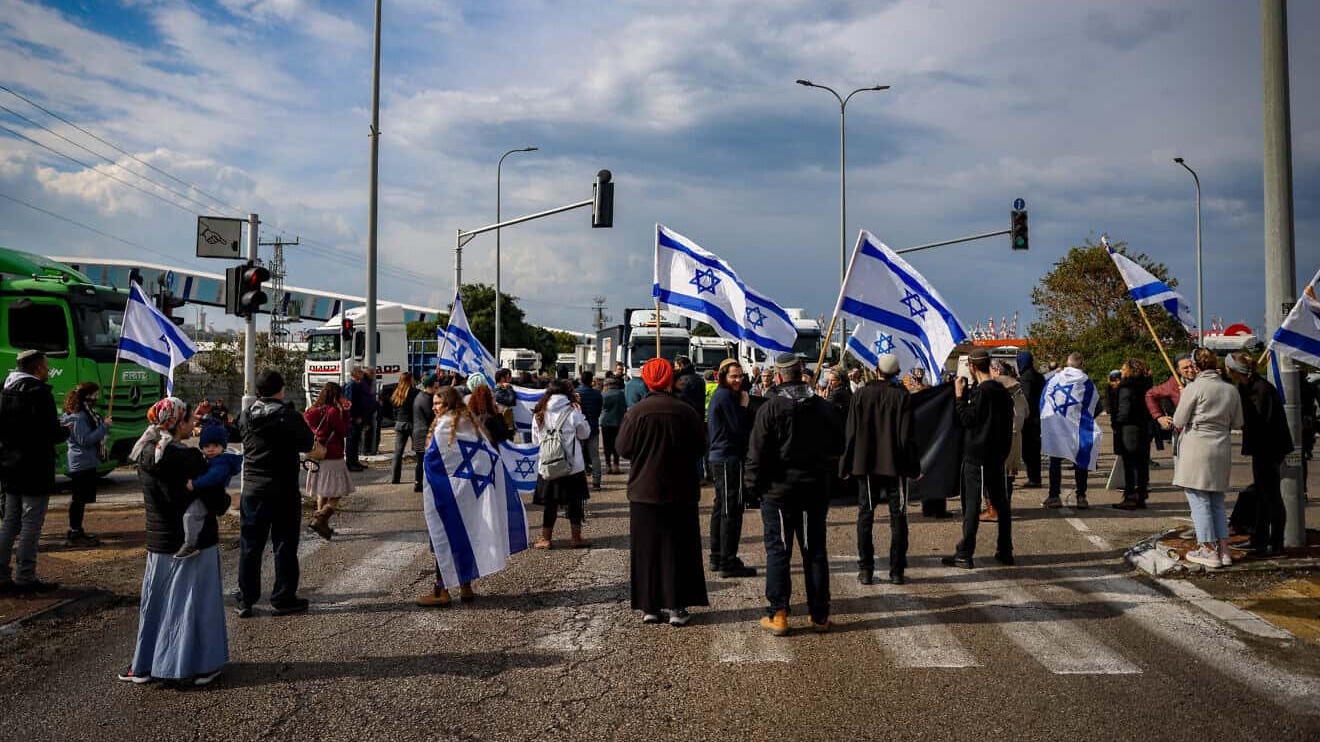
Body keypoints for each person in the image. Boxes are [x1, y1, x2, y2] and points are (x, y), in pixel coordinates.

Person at [115, 398, 229, 686]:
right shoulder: (188, 458)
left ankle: (144, 666)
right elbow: (215, 500)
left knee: (156, 605)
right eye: (190, 419)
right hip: (194, 543)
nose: (194, 424)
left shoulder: (144, 453)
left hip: (159, 541)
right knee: (196, 605)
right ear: (178, 423)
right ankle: (198, 666)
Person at [745, 354, 843, 635]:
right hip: (813, 489)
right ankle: (819, 615)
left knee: (779, 551)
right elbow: (838, 444)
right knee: (814, 552)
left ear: (777, 377)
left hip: (779, 492)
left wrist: (754, 487)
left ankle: (779, 614)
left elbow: (756, 453)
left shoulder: (771, 408)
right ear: (802, 374)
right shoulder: (824, 408)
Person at [616, 358, 708, 626]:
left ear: (646, 380)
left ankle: (650, 606)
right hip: (681, 489)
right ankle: (677, 607)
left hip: (644, 490)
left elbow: (623, 449)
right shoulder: (686, 411)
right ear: (670, 380)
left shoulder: (636, 412)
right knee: (678, 548)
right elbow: (700, 447)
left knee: (647, 550)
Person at [236, 370, 316, 618]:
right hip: (282, 491)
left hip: (252, 489)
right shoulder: (289, 416)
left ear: (258, 392)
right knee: (284, 544)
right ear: (280, 389)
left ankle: (245, 599)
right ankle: (283, 598)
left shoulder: (246, 416)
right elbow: (308, 443)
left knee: (250, 546)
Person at [841, 354, 918, 586]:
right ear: (896, 373)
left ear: (876, 370)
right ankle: (897, 570)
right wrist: (914, 466)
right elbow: (907, 437)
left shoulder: (861, 395)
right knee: (898, 517)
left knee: (866, 515)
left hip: (866, 465)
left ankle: (866, 569)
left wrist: (846, 464)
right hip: (895, 465)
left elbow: (851, 432)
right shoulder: (902, 397)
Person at [0, 350, 70, 594]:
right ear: (37, 368)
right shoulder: (39, 393)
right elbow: (50, 432)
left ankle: (1, 574)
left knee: (9, 522)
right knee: (31, 523)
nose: (48, 370)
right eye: (46, 366)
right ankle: (25, 576)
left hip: (9, 465)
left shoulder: (4, 389)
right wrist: (66, 431)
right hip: (35, 467)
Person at [942, 348, 1014, 570]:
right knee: (1002, 503)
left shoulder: (983, 392)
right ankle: (1005, 549)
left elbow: (967, 419)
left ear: (972, 367)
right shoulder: (1002, 391)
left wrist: (959, 396)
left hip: (979, 455)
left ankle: (965, 552)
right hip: (997, 455)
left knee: (972, 504)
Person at [1173, 348, 1244, 569]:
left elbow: (1179, 419)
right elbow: (1238, 422)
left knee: (1198, 499)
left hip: (1197, 445)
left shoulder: (1194, 388)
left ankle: (1208, 549)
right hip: (1221, 446)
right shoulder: (1230, 390)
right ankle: (1224, 549)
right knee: (1216, 502)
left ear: (1195, 366)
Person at [1225, 351, 1293, 556]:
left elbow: (1259, 422)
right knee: (1263, 496)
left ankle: (1275, 543)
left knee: (1270, 496)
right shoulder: (1248, 386)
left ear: (1234, 370)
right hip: (1264, 448)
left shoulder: (1260, 390)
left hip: (1269, 448)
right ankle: (1261, 540)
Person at [706, 359, 756, 578]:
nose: (738, 381)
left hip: (723, 457)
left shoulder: (727, 395)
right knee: (731, 509)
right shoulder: (725, 397)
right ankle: (728, 561)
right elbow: (738, 428)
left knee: (721, 507)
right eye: (733, 377)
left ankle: (717, 556)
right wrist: (745, 407)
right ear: (723, 378)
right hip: (727, 458)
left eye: (740, 376)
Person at [531, 379, 592, 549]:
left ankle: (546, 539)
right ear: (568, 393)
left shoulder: (539, 412)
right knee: (575, 502)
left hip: (548, 465)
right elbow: (584, 434)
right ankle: (576, 537)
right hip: (573, 466)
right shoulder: (573, 411)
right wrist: (581, 416)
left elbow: (536, 440)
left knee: (550, 503)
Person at [176, 422, 243, 560]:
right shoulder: (216, 459)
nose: (210, 449)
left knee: (191, 515)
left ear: (223, 447)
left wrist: (194, 484)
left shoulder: (221, 462)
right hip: (212, 495)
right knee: (194, 517)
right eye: (207, 446)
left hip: (211, 494)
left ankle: (190, 544)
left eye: (215, 446)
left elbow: (213, 477)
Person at [1042, 354, 1098, 510]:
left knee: (1055, 462)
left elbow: (1045, 400)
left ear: (1067, 363)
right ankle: (1081, 496)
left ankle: (1054, 496)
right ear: (1082, 364)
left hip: (1058, 427)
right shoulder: (1087, 382)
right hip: (1077, 428)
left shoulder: (1055, 380)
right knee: (1080, 462)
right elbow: (1094, 405)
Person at [60, 381, 111, 547]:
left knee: (80, 499)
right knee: (78, 499)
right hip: (81, 462)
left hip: (84, 461)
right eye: (94, 395)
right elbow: (86, 440)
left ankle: (76, 529)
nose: (96, 398)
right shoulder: (79, 417)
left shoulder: (83, 414)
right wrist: (104, 427)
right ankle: (75, 530)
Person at [303, 382, 353, 540]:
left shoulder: (311, 412)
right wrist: (345, 413)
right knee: (338, 492)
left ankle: (322, 525)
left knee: (322, 491)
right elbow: (344, 431)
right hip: (333, 455)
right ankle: (320, 518)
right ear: (335, 396)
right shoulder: (332, 412)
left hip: (317, 455)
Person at [983, 359, 1027, 523]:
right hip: (1015, 436)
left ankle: (993, 509)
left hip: (996, 436)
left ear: (995, 370)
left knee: (991, 475)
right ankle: (1004, 507)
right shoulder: (1018, 387)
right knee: (1008, 476)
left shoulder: (992, 386)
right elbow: (1026, 411)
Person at [1113, 360, 1154, 510]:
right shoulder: (1147, 385)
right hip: (1144, 427)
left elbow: (1124, 410)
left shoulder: (1126, 387)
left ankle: (1130, 496)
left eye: (1123, 368)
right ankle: (1141, 495)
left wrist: (1117, 423)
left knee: (1129, 463)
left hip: (1129, 429)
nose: (1121, 371)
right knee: (1142, 463)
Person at [1147, 353, 1197, 445]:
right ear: (1178, 370)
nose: (1190, 370)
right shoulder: (1173, 384)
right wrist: (1159, 417)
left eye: (1192, 366)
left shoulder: (1204, 382)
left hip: (1203, 433)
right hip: (1182, 434)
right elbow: (1150, 395)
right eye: (1185, 368)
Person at [1016, 351, 1046, 488]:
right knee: (1034, 451)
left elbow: (1026, 398)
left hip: (1029, 419)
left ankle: (1034, 479)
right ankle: (1035, 477)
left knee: (1028, 452)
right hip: (1039, 417)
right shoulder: (1039, 377)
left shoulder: (1025, 379)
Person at [575, 371, 605, 490]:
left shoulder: (576, 393)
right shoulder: (597, 394)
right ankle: (596, 481)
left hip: (579, 428)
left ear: (581, 380)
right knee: (595, 456)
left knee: (579, 455)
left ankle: (581, 482)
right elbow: (599, 410)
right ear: (591, 380)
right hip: (593, 427)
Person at [412, 375, 441, 493]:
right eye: (436, 387)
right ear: (430, 386)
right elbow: (430, 416)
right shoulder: (426, 398)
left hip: (419, 432)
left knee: (421, 460)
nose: (437, 390)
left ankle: (418, 482)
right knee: (424, 460)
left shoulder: (421, 396)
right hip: (423, 433)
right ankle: (420, 483)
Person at [389, 372, 419, 485]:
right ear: (410, 380)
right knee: (419, 451)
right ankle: (419, 477)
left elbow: (394, 409)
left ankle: (395, 478)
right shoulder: (416, 393)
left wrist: (396, 419)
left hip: (400, 423)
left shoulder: (396, 393)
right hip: (413, 423)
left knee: (398, 452)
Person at [344, 366, 375, 471]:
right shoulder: (351, 385)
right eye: (360, 372)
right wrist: (354, 417)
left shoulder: (357, 384)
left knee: (356, 441)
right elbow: (349, 404)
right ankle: (350, 463)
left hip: (360, 417)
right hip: (353, 419)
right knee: (351, 441)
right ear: (355, 373)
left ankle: (355, 461)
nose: (362, 374)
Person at [600, 376, 626, 475]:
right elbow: (624, 407)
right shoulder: (621, 394)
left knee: (607, 445)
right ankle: (616, 466)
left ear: (607, 385)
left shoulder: (604, 394)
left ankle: (608, 466)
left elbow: (601, 407)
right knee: (616, 445)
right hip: (618, 422)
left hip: (606, 423)